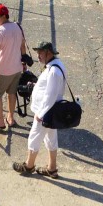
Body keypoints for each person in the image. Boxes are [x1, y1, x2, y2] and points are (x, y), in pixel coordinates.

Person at [13, 41, 65, 179]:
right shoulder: (55, 66)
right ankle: (52, 169)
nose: (38, 56)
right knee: (51, 139)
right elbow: (50, 88)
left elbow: (51, 95)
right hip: (51, 111)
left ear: (48, 53)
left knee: (34, 138)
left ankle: (29, 166)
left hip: (45, 112)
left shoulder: (53, 71)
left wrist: (40, 114)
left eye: (40, 53)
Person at [0, 4, 24, 131]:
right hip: (16, 68)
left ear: (3, 16)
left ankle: (0, 121)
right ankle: (10, 118)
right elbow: (22, 46)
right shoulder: (17, 27)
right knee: (12, 93)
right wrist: (23, 63)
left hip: (2, 69)